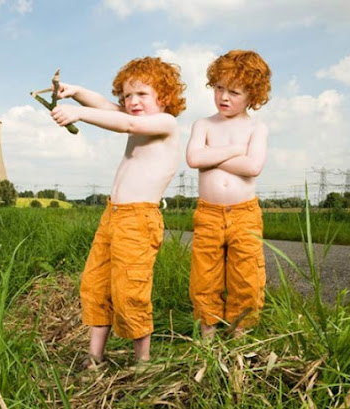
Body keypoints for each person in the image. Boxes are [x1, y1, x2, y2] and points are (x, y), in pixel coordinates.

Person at [50, 57, 186, 367]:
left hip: (139, 220)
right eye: (127, 96)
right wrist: (77, 92)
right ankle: (94, 358)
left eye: (142, 94)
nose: (132, 102)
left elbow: (129, 123)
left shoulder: (165, 123)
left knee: (130, 289)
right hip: (112, 216)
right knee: (96, 284)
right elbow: (105, 106)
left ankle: (143, 363)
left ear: (164, 97)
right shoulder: (134, 115)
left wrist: (79, 113)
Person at [186, 50, 271, 339]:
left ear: (252, 95)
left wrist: (211, 155)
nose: (224, 97)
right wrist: (235, 150)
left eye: (234, 91)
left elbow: (252, 167)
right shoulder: (204, 124)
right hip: (208, 213)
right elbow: (194, 159)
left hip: (244, 213)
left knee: (246, 275)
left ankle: (239, 337)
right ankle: (207, 337)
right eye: (219, 87)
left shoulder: (256, 128)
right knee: (204, 274)